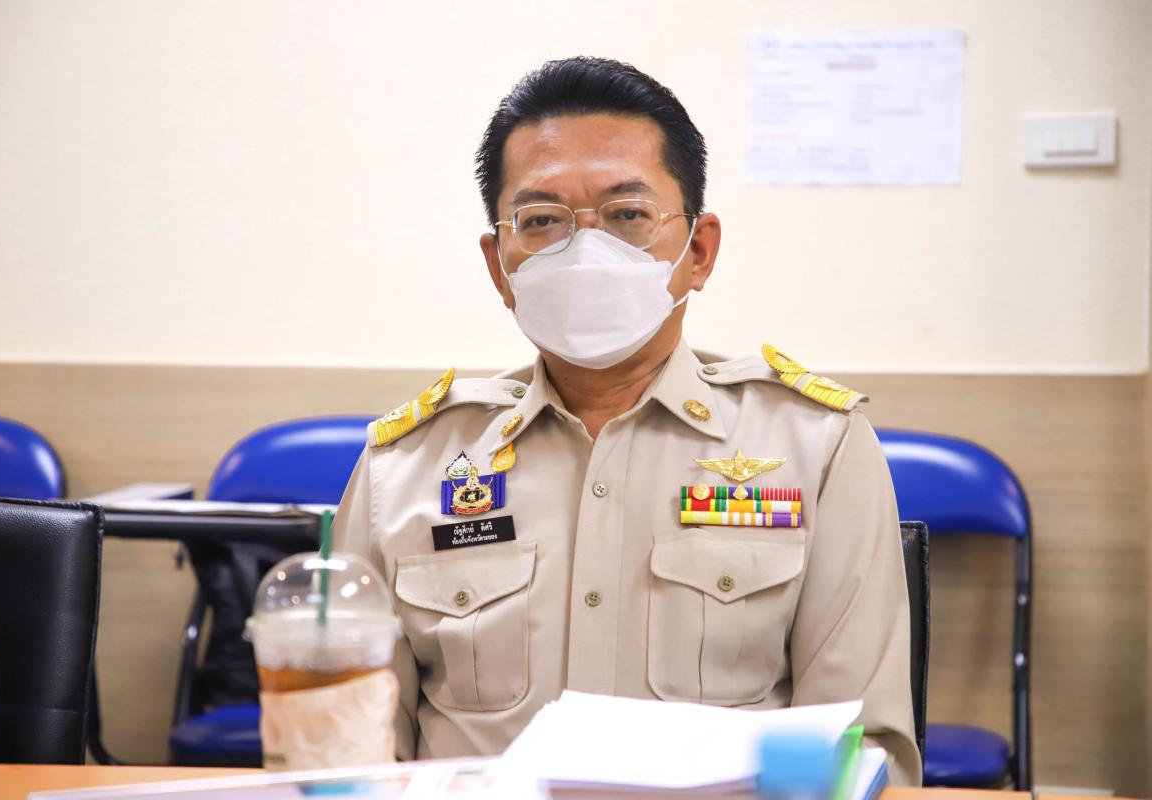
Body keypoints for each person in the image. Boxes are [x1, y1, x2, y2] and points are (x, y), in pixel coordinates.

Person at [334, 56, 922, 785]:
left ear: (698, 250)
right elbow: (348, 753)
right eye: (541, 221)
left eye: (627, 216)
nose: (585, 251)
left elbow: (859, 754)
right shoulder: (404, 469)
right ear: (498, 265)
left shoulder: (815, 448)